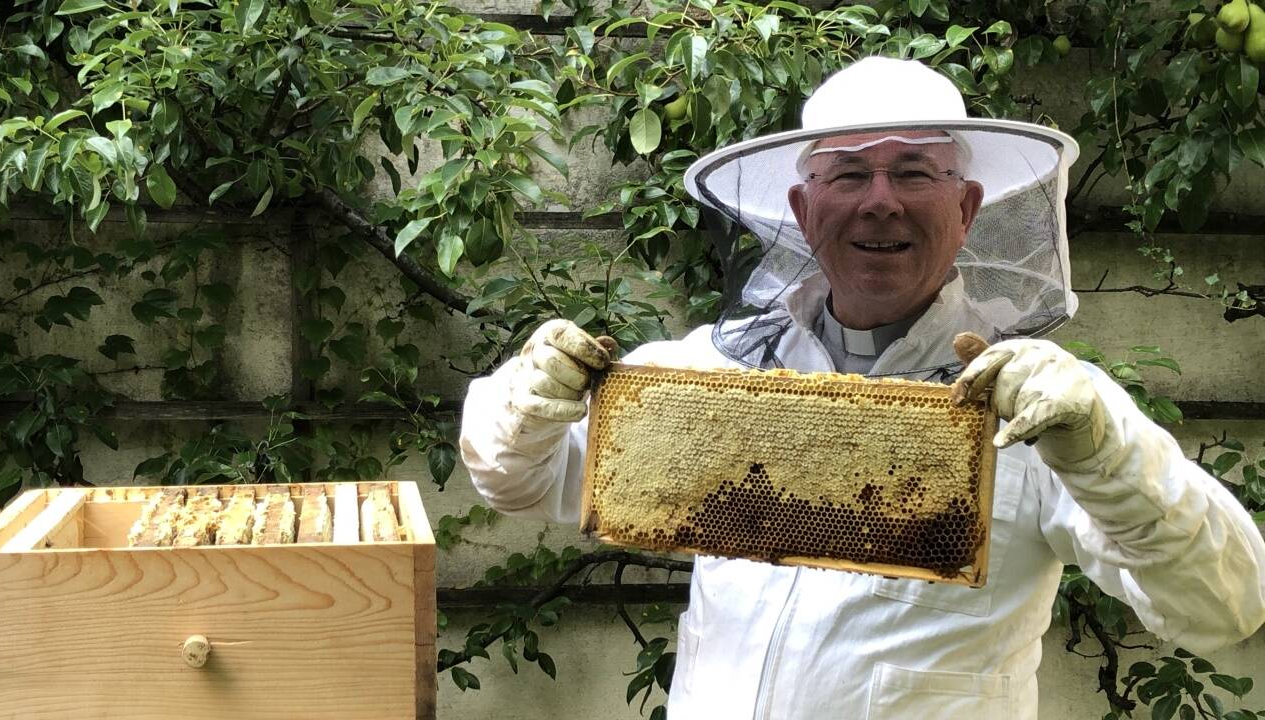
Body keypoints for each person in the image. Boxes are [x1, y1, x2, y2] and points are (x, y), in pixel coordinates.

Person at [458, 57, 1265, 718]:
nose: (880, 201)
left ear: (967, 208)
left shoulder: (1047, 411)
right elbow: (516, 477)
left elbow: (1225, 607)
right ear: (805, 212)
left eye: (914, 171)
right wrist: (526, 398)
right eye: (848, 174)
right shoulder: (716, 370)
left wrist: (1106, 450)